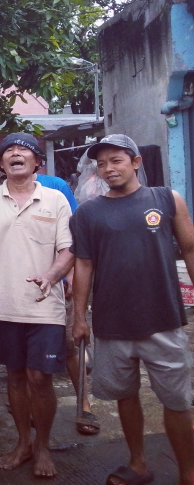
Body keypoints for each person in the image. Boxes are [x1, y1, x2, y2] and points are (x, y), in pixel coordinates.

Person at [71, 134, 194, 485]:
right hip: (112, 324)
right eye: (102, 163)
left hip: (163, 320)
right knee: (125, 396)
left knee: (176, 400)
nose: (109, 168)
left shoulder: (167, 199)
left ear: (136, 162)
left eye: (116, 160)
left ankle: (188, 472)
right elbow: (83, 266)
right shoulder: (89, 212)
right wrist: (80, 318)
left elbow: (190, 248)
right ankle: (138, 463)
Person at [0, 133, 74, 478]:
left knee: (40, 377)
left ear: (36, 161)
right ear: (1, 164)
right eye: (8, 151)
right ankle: (23, 442)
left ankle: (43, 446)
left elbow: (68, 249)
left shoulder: (56, 200)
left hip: (45, 306)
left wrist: (53, 274)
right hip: (1, 304)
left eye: (23, 150)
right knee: (14, 375)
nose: (15, 154)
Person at [35, 170, 98, 436]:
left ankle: (83, 403)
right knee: (29, 356)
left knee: (72, 347)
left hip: (60, 284)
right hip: (25, 288)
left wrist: (72, 276)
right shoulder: (3, 192)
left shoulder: (56, 185)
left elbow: (75, 237)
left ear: (37, 160)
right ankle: (30, 407)